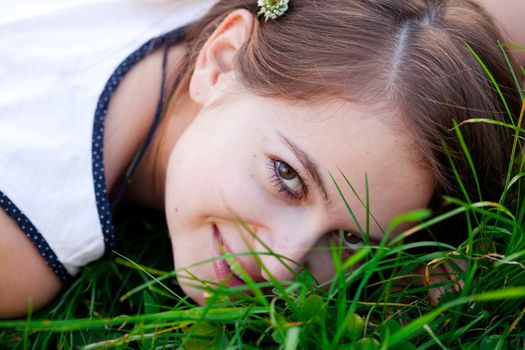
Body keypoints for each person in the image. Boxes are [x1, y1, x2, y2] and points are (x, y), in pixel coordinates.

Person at [0, 0, 522, 318]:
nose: (281, 264)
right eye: (286, 176)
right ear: (220, 59)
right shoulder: (22, 238)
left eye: (348, 240)